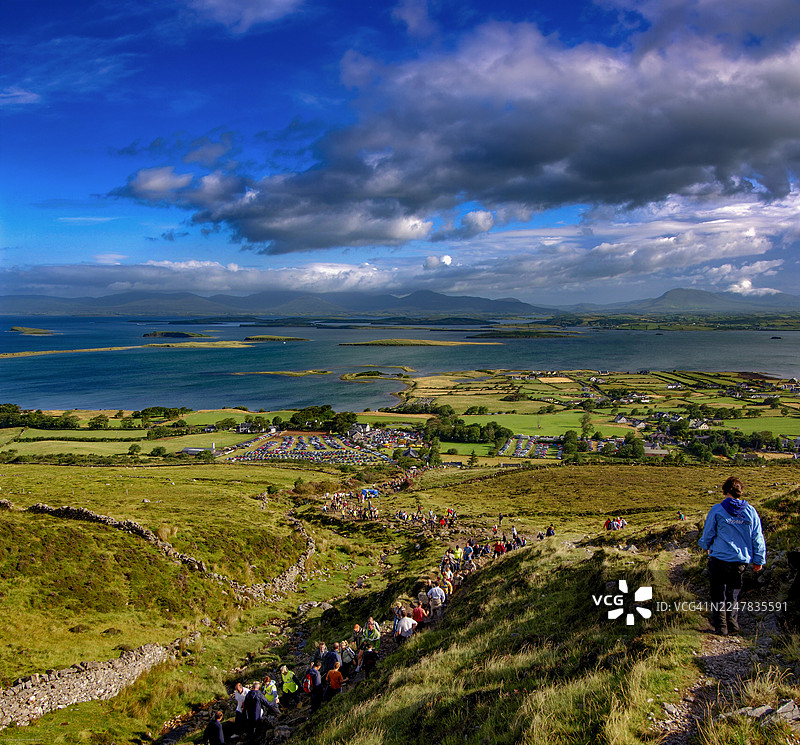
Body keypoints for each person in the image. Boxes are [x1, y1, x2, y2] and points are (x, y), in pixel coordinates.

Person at [698, 476, 766, 636]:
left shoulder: (717, 510)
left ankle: (721, 627)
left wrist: (705, 545)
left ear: (726, 491)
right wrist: (759, 560)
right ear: (740, 492)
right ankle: (733, 626)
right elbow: (757, 537)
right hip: (740, 561)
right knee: (733, 594)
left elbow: (709, 532)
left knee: (718, 593)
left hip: (719, 558)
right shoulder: (751, 511)